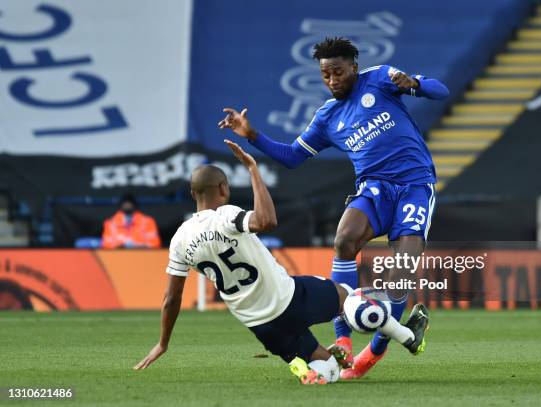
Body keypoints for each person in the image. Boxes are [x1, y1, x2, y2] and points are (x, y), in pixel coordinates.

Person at [218, 37, 448, 379]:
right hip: (374, 188)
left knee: (400, 272)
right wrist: (253, 135)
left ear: (353, 67)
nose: (332, 80)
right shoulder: (328, 117)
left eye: (338, 72)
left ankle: (376, 353)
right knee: (343, 240)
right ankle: (344, 341)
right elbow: (293, 157)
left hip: (415, 186)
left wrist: (415, 83)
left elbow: (440, 91)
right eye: (325, 75)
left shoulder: (382, 78)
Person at [133, 140, 430, 384]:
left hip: (259, 325)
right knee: (353, 301)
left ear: (192, 194)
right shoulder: (225, 216)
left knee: (330, 371)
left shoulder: (179, 239)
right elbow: (267, 221)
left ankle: (306, 367)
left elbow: (171, 298)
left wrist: (163, 343)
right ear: (223, 189)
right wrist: (253, 171)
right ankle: (408, 337)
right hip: (289, 298)